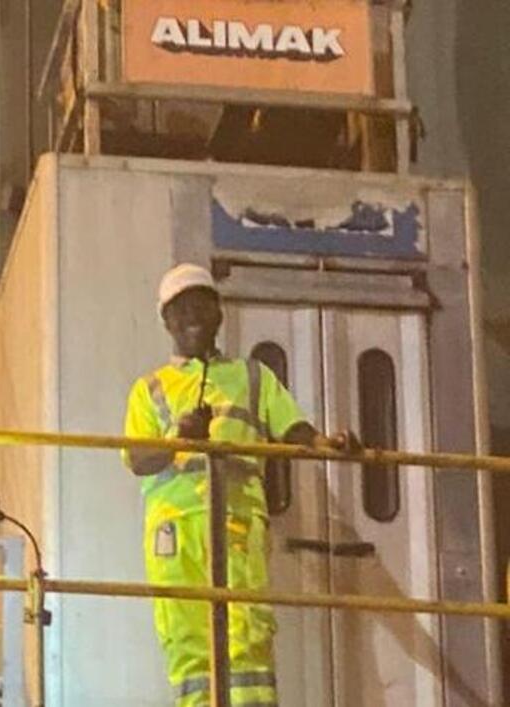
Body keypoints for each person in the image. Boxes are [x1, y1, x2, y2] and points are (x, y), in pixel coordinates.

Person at [122, 263, 355, 707]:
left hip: (237, 526)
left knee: (246, 634)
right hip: (175, 535)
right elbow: (136, 459)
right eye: (179, 308)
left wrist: (326, 442)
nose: (191, 315)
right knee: (187, 641)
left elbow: (293, 429)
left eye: (200, 304)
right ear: (165, 321)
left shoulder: (253, 377)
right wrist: (181, 439)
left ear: (218, 313)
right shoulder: (148, 389)